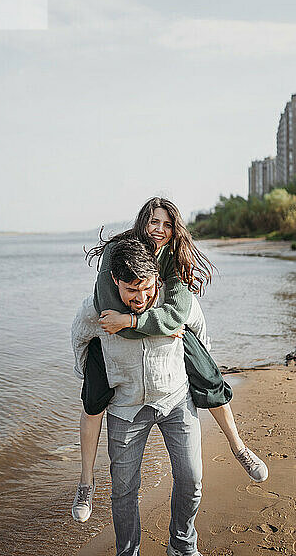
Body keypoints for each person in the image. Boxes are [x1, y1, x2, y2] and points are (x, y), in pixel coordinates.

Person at [72, 198, 268, 528]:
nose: (159, 230)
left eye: (166, 224)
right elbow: (85, 329)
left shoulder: (175, 265)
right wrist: (93, 369)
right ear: (141, 223)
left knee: (210, 379)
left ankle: (238, 449)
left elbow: (185, 317)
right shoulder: (116, 259)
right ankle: (86, 484)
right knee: (95, 412)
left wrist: (161, 336)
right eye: (153, 222)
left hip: (173, 395)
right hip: (127, 403)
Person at [72, 238, 207, 556]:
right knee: (123, 490)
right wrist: (93, 379)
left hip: (175, 400)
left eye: (147, 288)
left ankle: (182, 545)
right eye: (132, 291)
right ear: (115, 281)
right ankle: (127, 552)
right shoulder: (97, 308)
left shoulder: (173, 301)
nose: (142, 297)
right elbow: (79, 337)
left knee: (192, 478)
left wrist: (190, 371)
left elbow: (199, 330)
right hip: (126, 407)